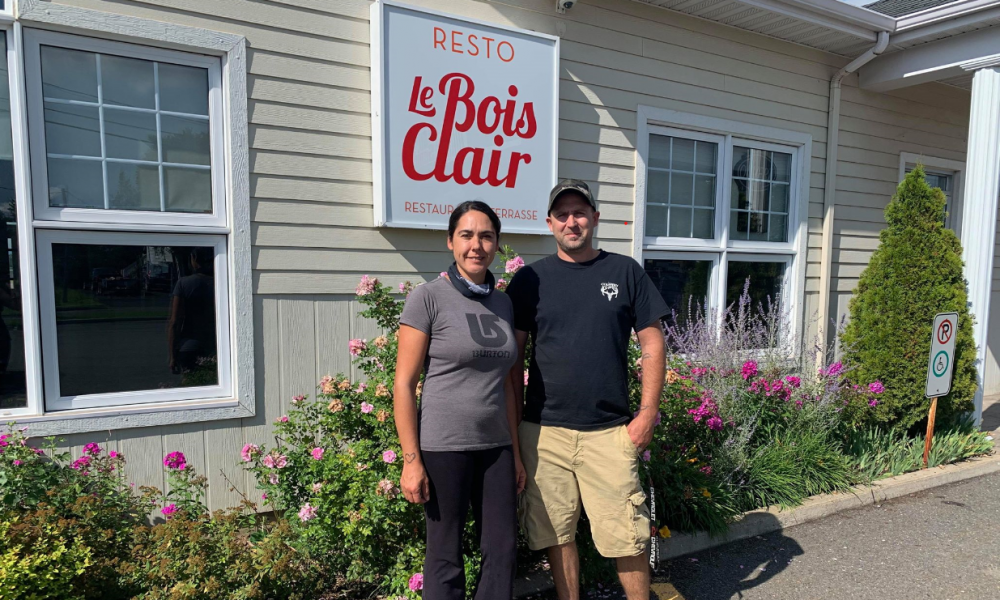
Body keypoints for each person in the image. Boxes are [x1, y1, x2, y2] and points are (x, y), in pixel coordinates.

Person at [506, 180, 669, 600]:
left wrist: (647, 413)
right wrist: (515, 436)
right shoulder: (529, 281)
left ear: (594, 219)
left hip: (610, 432)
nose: (571, 221)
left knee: (627, 537)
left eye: (580, 212)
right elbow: (512, 364)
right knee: (556, 533)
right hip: (544, 433)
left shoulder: (625, 271)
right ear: (549, 223)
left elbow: (652, 343)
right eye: (562, 215)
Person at [393, 201, 526, 600]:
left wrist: (515, 453)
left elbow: (506, 383)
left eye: (486, 236)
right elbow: (404, 384)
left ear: (496, 244)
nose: (476, 245)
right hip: (443, 447)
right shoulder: (428, 298)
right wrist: (411, 460)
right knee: (445, 553)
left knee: (502, 549)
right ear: (450, 241)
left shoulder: (502, 303)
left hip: (496, 448)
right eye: (466, 235)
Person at [168, 247, 216, 375]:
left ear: (194, 260)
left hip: (189, 346)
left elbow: (175, 322)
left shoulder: (184, 283)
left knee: (190, 385)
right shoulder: (221, 283)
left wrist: (172, 356)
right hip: (214, 346)